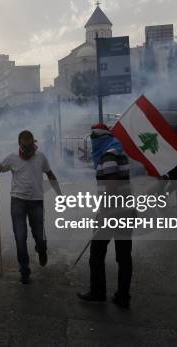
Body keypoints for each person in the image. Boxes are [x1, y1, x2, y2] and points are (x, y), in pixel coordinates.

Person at [0, 130, 62, 284]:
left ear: (33, 144)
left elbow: (50, 174)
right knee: (20, 237)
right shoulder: (12, 158)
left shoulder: (41, 157)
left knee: (39, 235)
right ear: (20, 145)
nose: (28, 150)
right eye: (25, 146)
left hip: (36, 201)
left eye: (30, 146)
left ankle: (41, 249)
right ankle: (24, 270)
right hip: (18, 201)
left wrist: (60, 195)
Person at [78, 123, 133, 309]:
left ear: (99, 138)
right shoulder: (118, 151)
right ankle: (123, 296)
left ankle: (98, 292)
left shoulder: (108, 155)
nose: (92, 143)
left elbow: (111, 186)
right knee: (124, 256)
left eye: (93, 138)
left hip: (113, 212)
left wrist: (105, 213)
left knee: (97, 254)